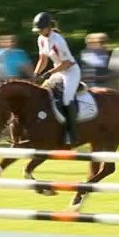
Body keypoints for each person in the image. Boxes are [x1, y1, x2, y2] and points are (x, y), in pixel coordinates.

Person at [32, 12, 81, 146]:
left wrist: (49, 72)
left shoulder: (59, 40)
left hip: (71, 72)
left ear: (48, 27)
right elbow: (43, 59)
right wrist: (36, 74)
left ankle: (72, 134)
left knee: (66, 99)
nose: (40, 32)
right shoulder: (41, 39)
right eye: (38, 30)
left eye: (41, 29)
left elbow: (67, 63)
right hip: (58, 71)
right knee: (43, 93)